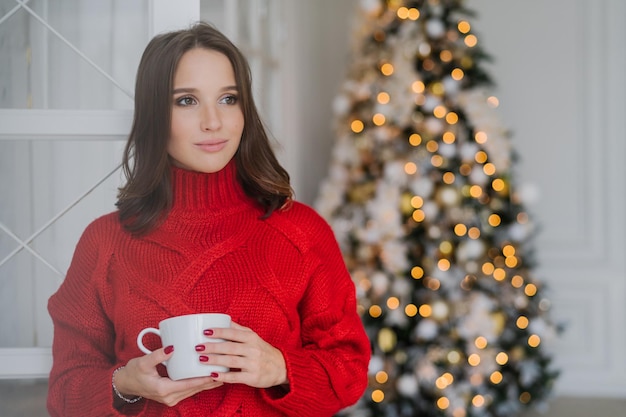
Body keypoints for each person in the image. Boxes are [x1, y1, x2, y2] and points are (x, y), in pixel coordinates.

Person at [46, 22, 370, 416]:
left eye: (228, 98)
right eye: (186, 101)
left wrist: (281, 368)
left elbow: (349, 371)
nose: (213, 121)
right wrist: (125, 385)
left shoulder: (301, 231)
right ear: (154, 114)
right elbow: (64, 391)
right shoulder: (104, 242)